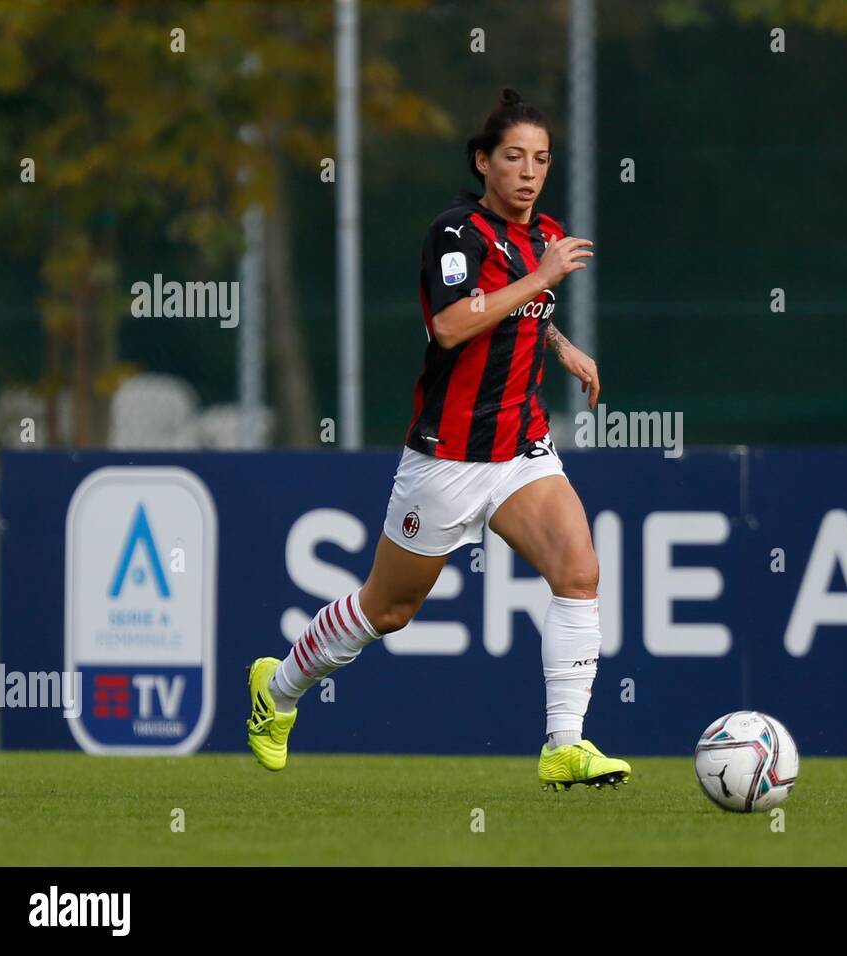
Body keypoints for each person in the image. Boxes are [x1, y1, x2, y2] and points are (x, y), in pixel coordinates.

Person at [245, 88, 630, 791]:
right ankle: (279, 691)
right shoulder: (456, 233)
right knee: (387, 609)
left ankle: (564, 746)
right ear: (483, 161)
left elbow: (521, 308)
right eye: (512, 156)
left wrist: (560, 344)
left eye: (540, 159)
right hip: (447, 457)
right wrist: (542, 280)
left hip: (520, 447)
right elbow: (453, 324)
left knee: (579, 572)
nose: (528, 171)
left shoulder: (542, 232)